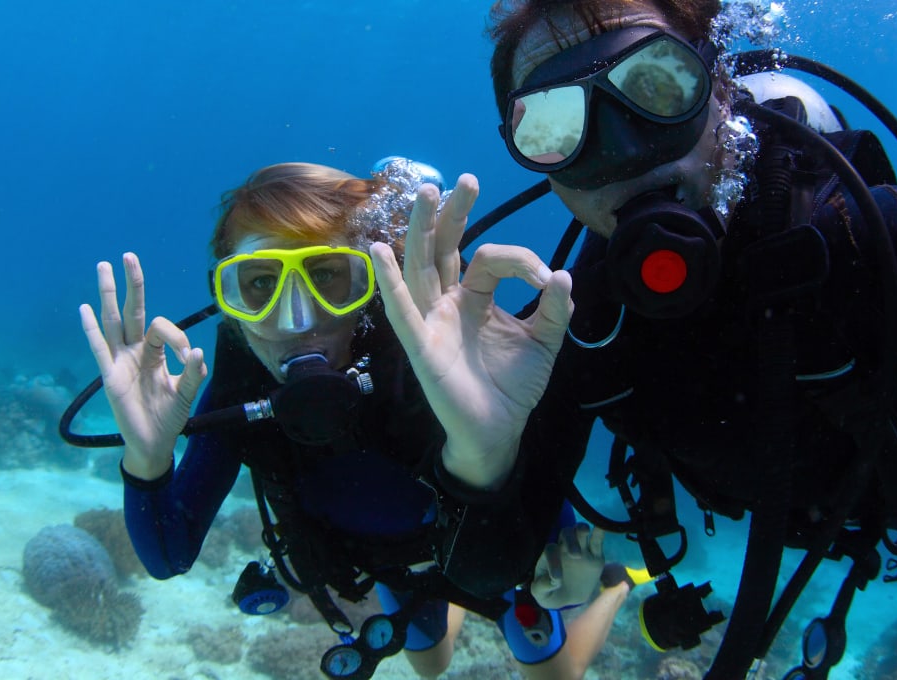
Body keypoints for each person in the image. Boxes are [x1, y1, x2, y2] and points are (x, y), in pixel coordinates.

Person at [369, 1, 897, 677]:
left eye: (658, 87)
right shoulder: (573, 325)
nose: (623, 151)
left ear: (718, 87)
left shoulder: (858, 234)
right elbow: (486, 571)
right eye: (559, 126)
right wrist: (482, 453)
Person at [78, 160, 630, 679]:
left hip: (486, 542)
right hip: (390, 567)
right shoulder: (240, 384)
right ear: (229, 300)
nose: (296, 320)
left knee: (555, 674)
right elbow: (168, 555)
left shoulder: (434, 359)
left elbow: (527, 483)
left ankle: (617, 589)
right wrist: (148, 459)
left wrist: (575, 582)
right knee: (430, 666)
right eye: (260, 284)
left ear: (369, 283)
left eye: (328, 276)